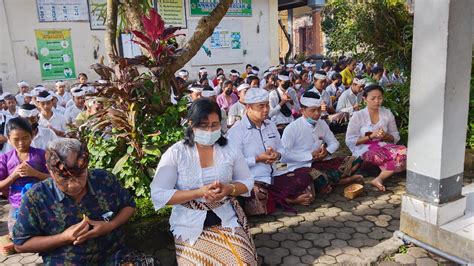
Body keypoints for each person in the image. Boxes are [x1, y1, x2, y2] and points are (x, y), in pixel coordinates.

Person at [150, 98, 256, 265]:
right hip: (188, 222)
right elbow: (158, 193)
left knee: (243, 262)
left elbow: (247, 181)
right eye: (203, 126)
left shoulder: (230, 149)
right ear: (191, 124)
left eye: (214, 125)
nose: (209, 130)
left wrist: (229, 189)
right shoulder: (177, 153)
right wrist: (198, 193)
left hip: (225, 216)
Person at [12, 138, 136, 264]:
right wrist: (63, 238)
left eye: (79, 175)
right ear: (50, 171)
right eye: (64, 178)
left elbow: (129, 205)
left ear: (86, 167)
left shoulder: (104, 179)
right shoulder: (35, 198)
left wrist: (109, 226)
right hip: (65, 261)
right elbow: (21, 244)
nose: (73, 185)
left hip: (113, 256)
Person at [228, 88, 314, 214]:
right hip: (254, 179)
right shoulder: (237, 131)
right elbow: (234, 164)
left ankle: (283, 198)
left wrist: (277, 154)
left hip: (275, 173)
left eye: (267, 105)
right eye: (260, 106)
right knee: (258, 194)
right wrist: (257, 159)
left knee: (305, 175)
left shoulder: (270, 125)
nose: (266, 109)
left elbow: (281, 149)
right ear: (248, 107)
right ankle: (290, 200)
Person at [282, 91, 364, 194]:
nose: (317, 114)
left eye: (319, 110)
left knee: (355, 160)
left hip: (323, 161)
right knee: (317, 177)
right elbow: (284, 156)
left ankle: (332, 182)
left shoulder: (322, 123)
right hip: (303, 166)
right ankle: (343, 180)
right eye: (313, 110)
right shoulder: (291, 128)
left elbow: (334, 143)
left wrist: (327, 152)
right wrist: (309, 156)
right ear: (302, 110)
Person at [346, 84, 407, 191]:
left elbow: (395, 136)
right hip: (365, 149)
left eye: (379, 98)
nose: (376, 101)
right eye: (373, 98)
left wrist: (386, 136)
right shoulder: (358, 116)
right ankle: (384, 173)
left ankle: (379, 178)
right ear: (365, 99)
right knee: (384, 156)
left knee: (405, 151)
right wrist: (371, 136)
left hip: (385, 146)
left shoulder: (387, 113)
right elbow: (350, 140)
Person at [0, 117, 50, 235]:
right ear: (8, 139)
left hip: (42, 203)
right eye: (16, 139)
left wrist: (35, 174)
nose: (21, 143)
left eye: (25, 138)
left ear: (32, 135)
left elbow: (55, 179)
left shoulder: (41, 155)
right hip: (18, 206)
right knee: (18, 236)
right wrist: (14, 176)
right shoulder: (5, 159)